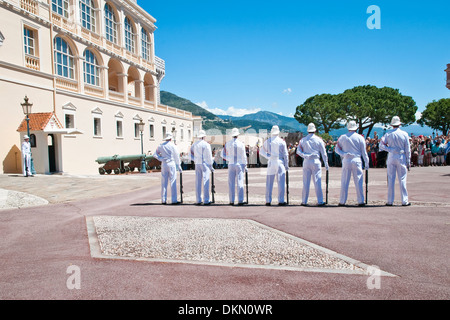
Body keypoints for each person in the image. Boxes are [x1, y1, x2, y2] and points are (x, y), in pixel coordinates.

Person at [335, 121, 370, 206]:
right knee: (358, 181)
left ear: (348, 128)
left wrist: (343, 154)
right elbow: (364, 152)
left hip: (346, 159)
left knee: (344, 181)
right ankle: (361, 200)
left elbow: (337, 149)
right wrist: (366, 163)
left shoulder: (342, 137)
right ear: (356, 128)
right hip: (356, 159)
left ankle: (342, 201)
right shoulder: (360, 138)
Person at [379, 116, 411, 206]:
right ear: (399, 124)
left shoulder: (388, 134)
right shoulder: (404, 134)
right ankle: (404, 201)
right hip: (401, 156)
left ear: (392, 124)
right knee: (402, 179)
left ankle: (390, 201)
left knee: (391, 179)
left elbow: (381, 145)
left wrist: (389, 149)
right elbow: (408, 149)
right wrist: (408, 161)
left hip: (392, 156)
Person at [296, 123, 329, 206]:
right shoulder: (319, 140)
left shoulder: (303, 140)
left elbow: (298, 151)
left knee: (306, 182)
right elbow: (324, 153)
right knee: (317, 181)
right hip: (315, 160)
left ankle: (304, 201)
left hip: (306, 161)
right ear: (315, 130)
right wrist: (326, 163)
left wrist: (305, 155)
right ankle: (320, 201)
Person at [260, 125, 289, 206]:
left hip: (271, 161)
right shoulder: (282, 141)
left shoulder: (267, 141)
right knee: (281, 182)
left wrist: (268, 156)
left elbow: (261, 151)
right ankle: (281, 200)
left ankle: (268, 200)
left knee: (269, 182)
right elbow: (286, 154)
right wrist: (287, 165)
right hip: (279, 161)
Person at [153, 133, 182, 205]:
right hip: (171, 163)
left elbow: (154, 154)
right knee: (173, 181)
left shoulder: (161, 145)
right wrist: (179, 165)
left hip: (164, 163)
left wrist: (160, 158)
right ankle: (174, 199)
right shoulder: (173, 145)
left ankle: (163, 199)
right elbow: (176, 156)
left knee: (164, 182)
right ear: (171, 138)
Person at [221, 128, 247, 205]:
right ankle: (240, 200)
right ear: (238, 135)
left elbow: (222, 154)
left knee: (231, 183)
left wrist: (229, 158)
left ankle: (231, 200)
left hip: (231, 164)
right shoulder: (241, 144)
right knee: (240, 182)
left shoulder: (228, 143)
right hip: (239, 164)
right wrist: (245, 165)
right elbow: (244, 156)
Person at [190, 130, 214, 205]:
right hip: (204, 163)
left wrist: (195, 160)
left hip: (197, 163)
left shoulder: (194, 144)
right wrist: (211, 166)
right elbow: (209, 157)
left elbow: (190, 155)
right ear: (204, 136)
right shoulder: (206, 145)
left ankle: (198, 199)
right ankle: (206, 200)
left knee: (198, 182)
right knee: (206, 181)